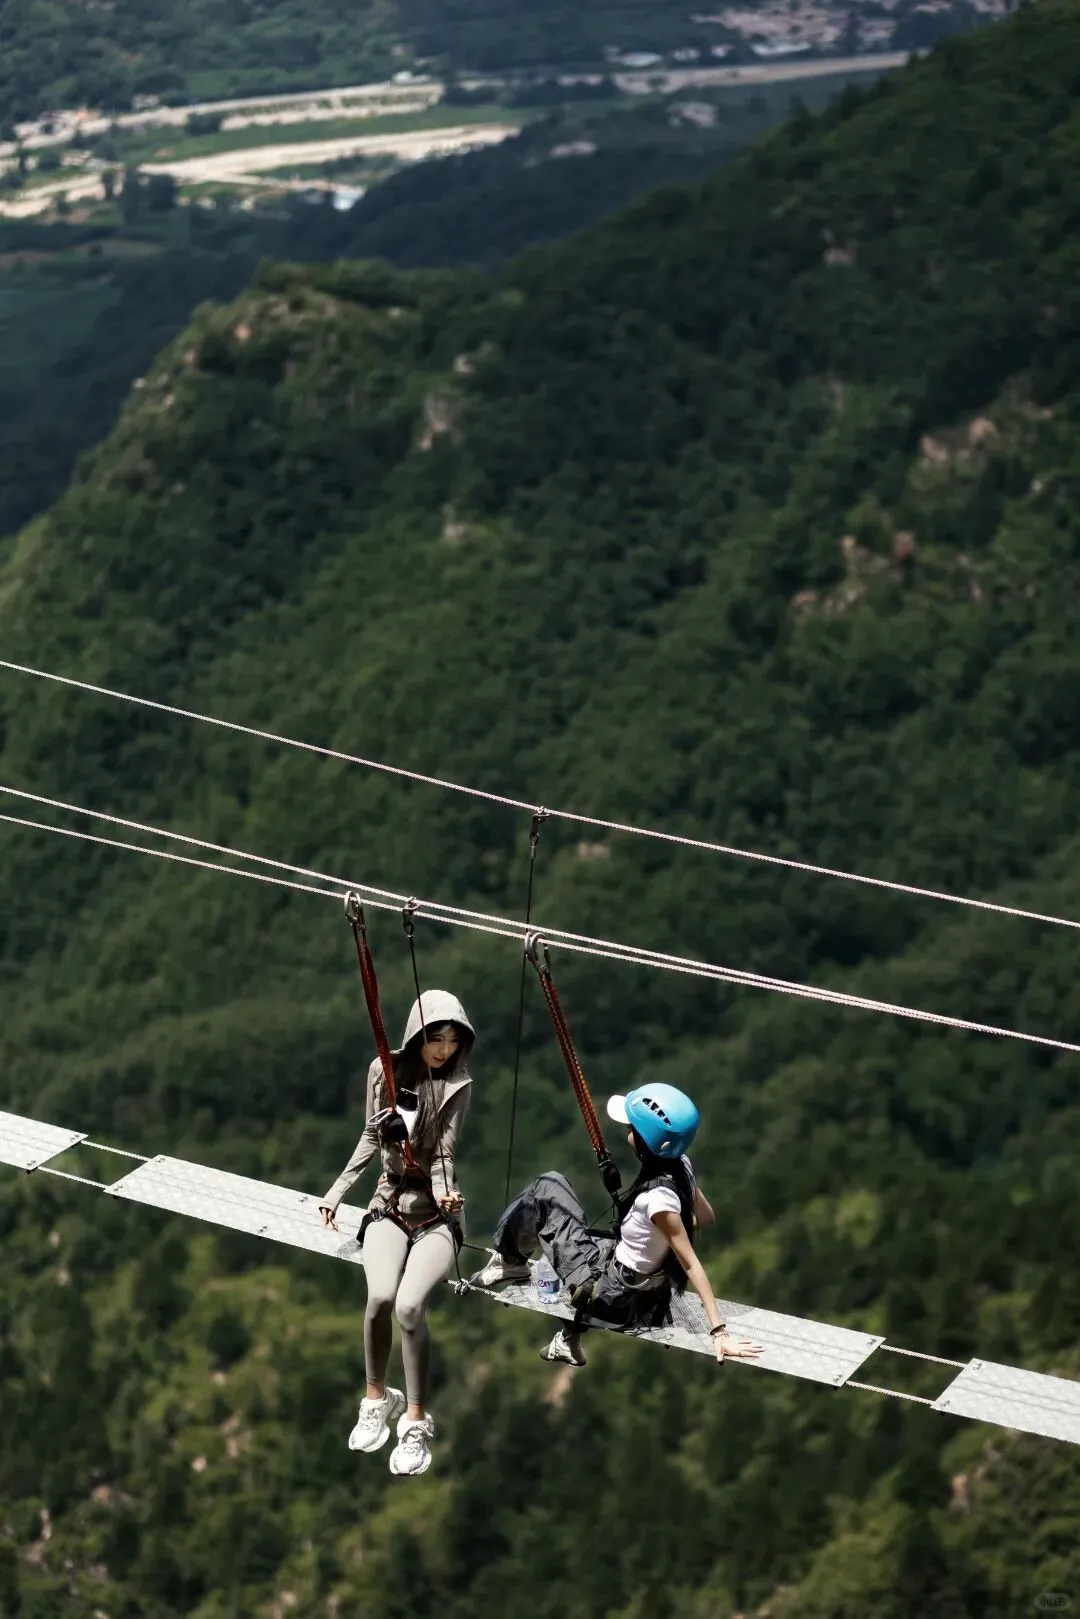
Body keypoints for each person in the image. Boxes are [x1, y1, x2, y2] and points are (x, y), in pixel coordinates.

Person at [472, 1082, 763, 1368]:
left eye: (630, 1129)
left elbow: (690, 1264)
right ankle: (568, 1340)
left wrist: (719, 1332)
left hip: (613, 1295)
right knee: (592, 1241)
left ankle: (510, 1261)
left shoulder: (658, 1201)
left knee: (549, 1185)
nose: (627, 1133)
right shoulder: (681, 1165)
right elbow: (706, 1217)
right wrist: (660, 1237)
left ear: (645, 1140)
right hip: (641, 1292)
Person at [319, 989, 474, 1477]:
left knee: (410, 1307)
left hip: (435, 1215)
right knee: (380, 1299)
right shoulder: (382, 1072)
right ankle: (375, 1398)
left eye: (452, 1040)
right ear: (417, 1036)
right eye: (435, 1038)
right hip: (389, 1203)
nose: (444, 1050)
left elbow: (446, 1154)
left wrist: (447, 1194)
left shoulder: (457, 1085)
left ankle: (414, 1420)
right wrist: (337, 1190)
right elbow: (371, 1133)